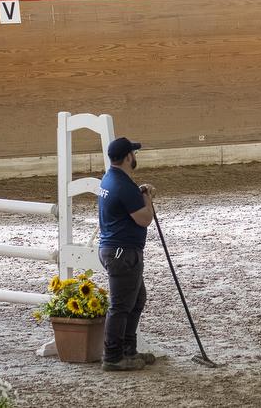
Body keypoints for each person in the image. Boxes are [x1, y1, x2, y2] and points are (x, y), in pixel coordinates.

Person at [98, 137, 157, 372]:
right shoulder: (123, 185)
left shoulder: (110, 179)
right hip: (123, 253)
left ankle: (128, 350)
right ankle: (113, 356)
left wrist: (139, 193)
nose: (135, 156)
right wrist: (147, 199)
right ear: (127, 157)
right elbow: (145, 219)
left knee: (137, 299)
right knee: (121, 306)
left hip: (114, 250)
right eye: (133, 153)